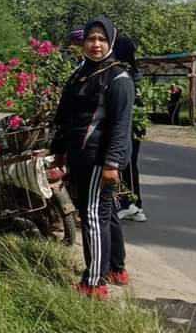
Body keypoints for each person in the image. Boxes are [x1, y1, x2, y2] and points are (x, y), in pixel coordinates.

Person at [51, 16, 135, 299]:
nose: (96, 44)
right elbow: (65, 118)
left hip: (100, 159)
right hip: (80, 156)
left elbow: (121, 125)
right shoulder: (80, 75)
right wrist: (59, 152)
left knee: (92, 216)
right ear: (84, 42)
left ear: (110, 41)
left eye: (101, 39)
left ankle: (94, 282)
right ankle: (115, 269)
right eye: (91, 39)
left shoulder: (118, 77)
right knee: (105, 213)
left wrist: (112, 163)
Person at [113, 36, 147, 223]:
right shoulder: (133, 71)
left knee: (126, 164)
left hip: (129, 125)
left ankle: (134, 205)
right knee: (125, 165)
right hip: (131, 124)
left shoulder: (126, 73)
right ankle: (128, 203)